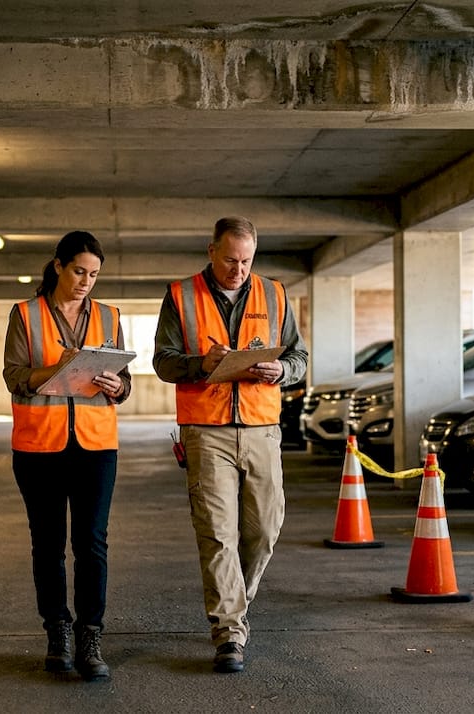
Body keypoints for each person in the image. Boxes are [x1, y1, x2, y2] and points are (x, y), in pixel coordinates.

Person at [152, 216, 308, 673]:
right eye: (229, 260)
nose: (238, 270)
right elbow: (163, 362)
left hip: (262, 428)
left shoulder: (275, 294)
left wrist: (284, 371)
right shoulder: (180, 296)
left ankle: (234, 603)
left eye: (246, 261)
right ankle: (229, 633)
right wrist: (203, 363)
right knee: (218, 533)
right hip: (206, 430)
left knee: (263, 530)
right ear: (210, 251)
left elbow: (297, 355)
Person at [2, 230, 131, 682]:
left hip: (96, 446)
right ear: (58, 265)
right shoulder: (25, 315)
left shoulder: (110, 316)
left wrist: (119, 385)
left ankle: (90, 635)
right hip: (40, 445)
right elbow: (14, 375)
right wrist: (56, 371)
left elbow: (124, 379)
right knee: (49, 544)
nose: (86, 281)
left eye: (94, 274)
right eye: (79, 271)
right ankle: (57, 632)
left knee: (92, 544)